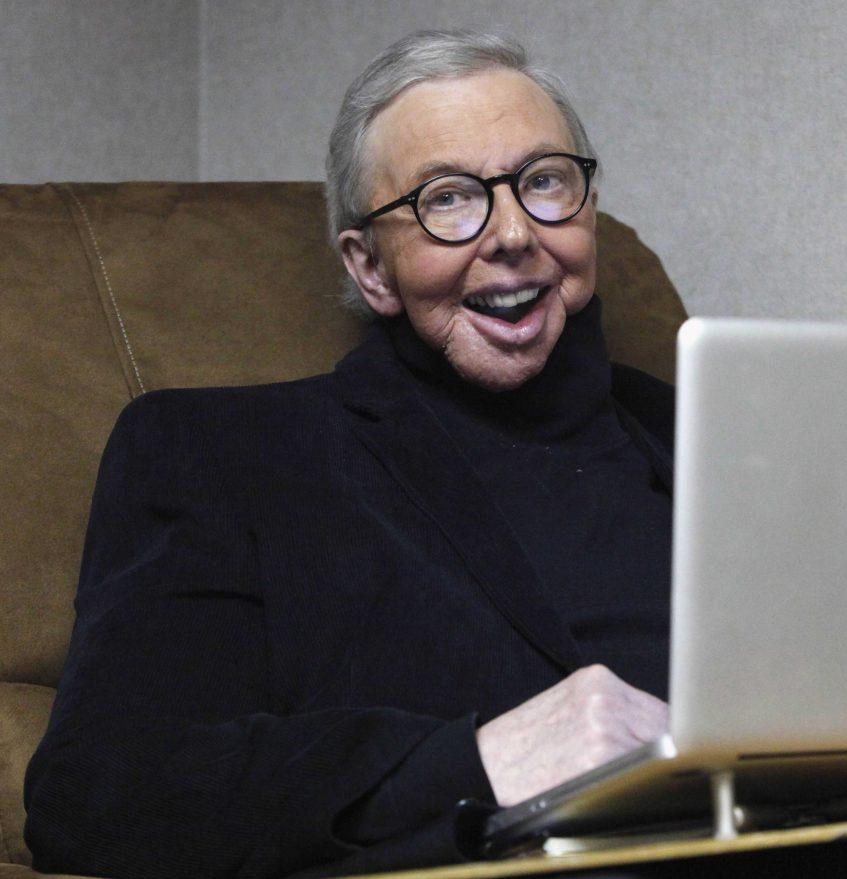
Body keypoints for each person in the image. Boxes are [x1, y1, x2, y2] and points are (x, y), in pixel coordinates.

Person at [25, 30, 673, 879]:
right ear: (370, 268)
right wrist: (475, 763)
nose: (514, 232)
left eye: (545, 181)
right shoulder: (224, 457)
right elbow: (101, 789)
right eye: (448, 199)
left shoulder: (705, 425)